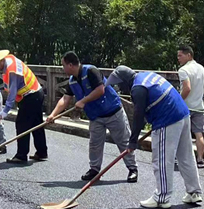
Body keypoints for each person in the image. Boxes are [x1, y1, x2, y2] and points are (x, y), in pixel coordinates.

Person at [105, 66, 203, 208]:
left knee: (162, 159)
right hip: (182, 113)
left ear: (125, 81)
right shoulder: (146, 75)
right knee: (186, 156)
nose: (119, 89)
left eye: (119, 84)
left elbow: (138, 116)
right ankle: (194, 192)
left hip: (167, 119)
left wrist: (132, 142)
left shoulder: (137, 88)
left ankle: (162, 197)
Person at [47, 52, 138, 183]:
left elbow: (100, 90)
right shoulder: (72, 81)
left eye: (63, 65)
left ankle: (132, 169)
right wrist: (53, 115)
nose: (63, 68)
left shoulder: (91, 71)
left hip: (112, 111)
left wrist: (83, 101)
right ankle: (94, 170)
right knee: (94, 144)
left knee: (123, 141)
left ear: (71, 65)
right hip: (95, 116)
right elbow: (65, 99)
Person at [0, 48, 46, 163]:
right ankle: (41, 152)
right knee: (36, 124)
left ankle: (21, 155)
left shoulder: (12, 70)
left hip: (30, 95)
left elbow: (13, 92)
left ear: (0, 61)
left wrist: (5, 110)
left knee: (22, 125)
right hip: (36, 92)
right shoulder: (10, 59)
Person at [177, 45, 204, 168]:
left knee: (181, 134)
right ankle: (200, 159)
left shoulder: (183, 70)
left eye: (180, 55)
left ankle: (181, 158)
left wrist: (178, 100)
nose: (178, 58)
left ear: (189, 55)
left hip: (186, 107)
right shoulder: (201, 68)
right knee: (199, 133)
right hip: (199, 106)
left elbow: (187, 88)